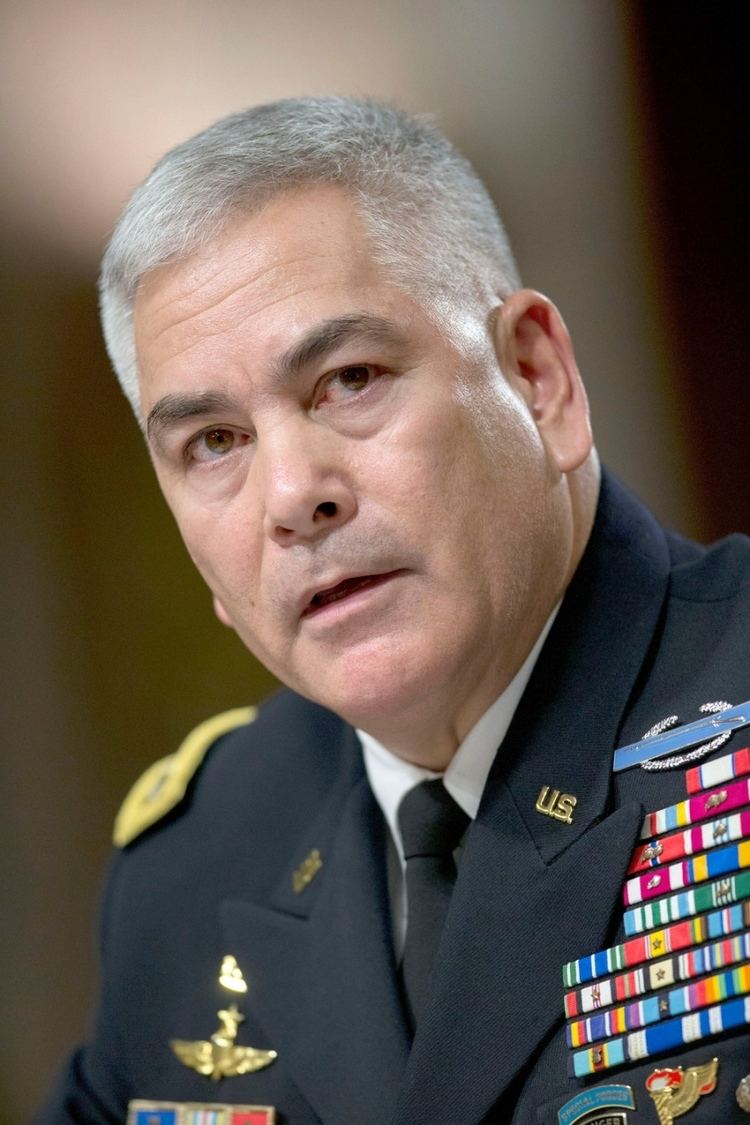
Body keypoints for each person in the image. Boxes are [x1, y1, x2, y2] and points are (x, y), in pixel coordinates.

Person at [37, 97, 750, 1125]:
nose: (292, 496)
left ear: (537, 380)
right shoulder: (195, 863)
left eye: (349, 380)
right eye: (214, 444)